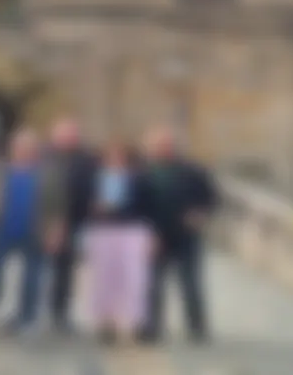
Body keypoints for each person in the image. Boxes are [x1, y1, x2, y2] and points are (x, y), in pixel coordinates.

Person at [0, 127, 66, 335]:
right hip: (0, 230)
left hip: (34, 232)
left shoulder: (48, 173)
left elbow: (58, 206)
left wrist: (55, 232)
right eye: (20, 147)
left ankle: (26, 319)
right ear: (12, 148)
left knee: (32, 279)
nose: (24, 151)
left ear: (36, 150)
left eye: (29, 147)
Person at [137, 126, 216, 344]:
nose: (160, 149)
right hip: (154, 235)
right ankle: (150, 327)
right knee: (152, 285)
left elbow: (210, 197)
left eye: (164, 145)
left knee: (190, 284)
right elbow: (136, 206)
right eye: (155, 145)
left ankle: (197, 327)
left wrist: (200, 213)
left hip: (186, 237)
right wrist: (146, 232)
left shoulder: (192, 171)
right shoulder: (142, 173)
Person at [82, 139, 154, 344]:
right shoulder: (95, 178)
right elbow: (81, 202)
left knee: (134, 278)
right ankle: (106, 323)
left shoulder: (139, 178)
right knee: (104, 278)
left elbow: (148, 206)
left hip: (131, 229)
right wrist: (93, 208)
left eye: (119, 154)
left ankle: (134, 323)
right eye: (110, 154)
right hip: (102, 230)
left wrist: (150, 234)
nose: (115, 158)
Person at [44, 117, 97, 335]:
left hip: (75, 221)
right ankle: (27, 312)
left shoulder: (88, 159)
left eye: (71, 134)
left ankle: (59, 314)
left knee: (64, 270)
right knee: (37, 268)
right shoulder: (43, 157)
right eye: (62, 134)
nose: (67, 138)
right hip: (43, 220)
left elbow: (95, 187)